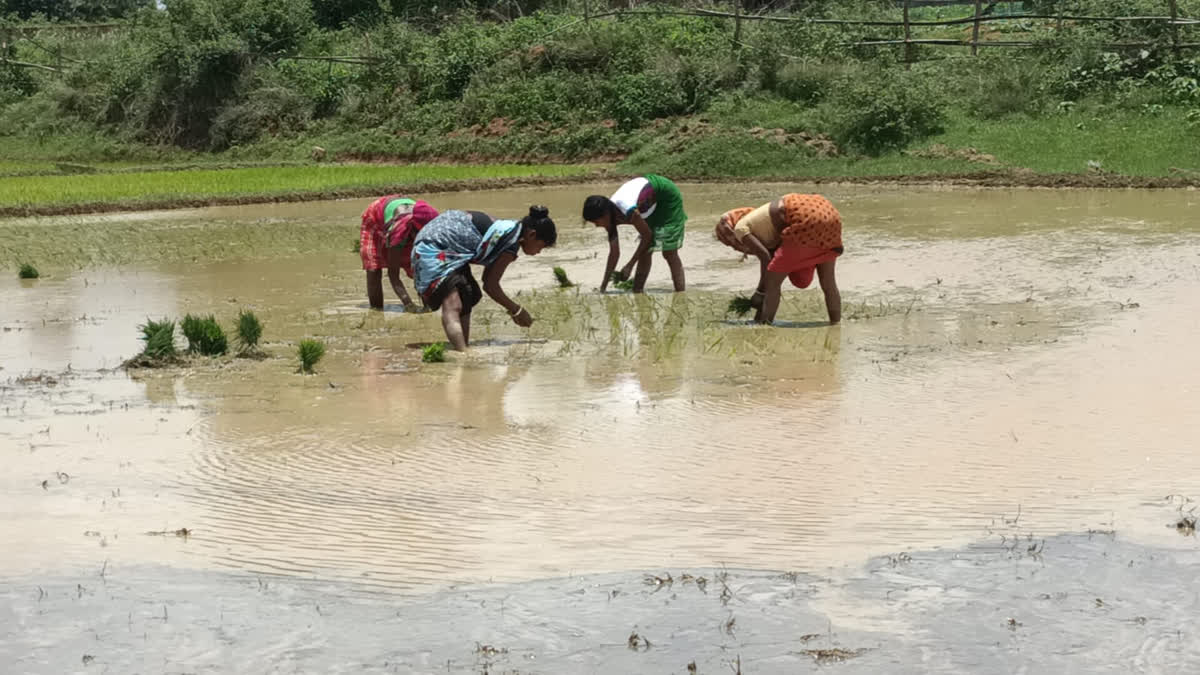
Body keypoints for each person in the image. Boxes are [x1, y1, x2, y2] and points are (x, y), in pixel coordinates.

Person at [412, 206, 557, 351]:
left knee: (467, 294)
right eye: (541, 246)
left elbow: (487, 279)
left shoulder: (509, 231)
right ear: (532, 235)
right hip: (434, 246)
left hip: (444, 243)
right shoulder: (510, 243)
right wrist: (517, 310)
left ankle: (462, 346)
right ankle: (463, 355)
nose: (538, 252)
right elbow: (490, 286)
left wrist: (514, 310)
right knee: (453, 303)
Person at [715, 193, 843, 325]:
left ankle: (764, 325)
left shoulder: (740, 228)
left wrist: (759, 292)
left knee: (773, 281)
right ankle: (836, 324)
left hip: (805, 218)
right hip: (830, 216)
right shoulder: (762, 221)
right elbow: (771, 258)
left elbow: (766, 259)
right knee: (828, 282)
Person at [582, 174, 687, 294]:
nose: (596, 225)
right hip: (647, 201)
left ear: (605, 215)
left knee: (669, 252)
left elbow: (648, 236)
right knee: (645, 252)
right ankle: (638, 291)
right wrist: (603, 287)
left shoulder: (628, 211)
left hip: (665, 195)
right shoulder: (610, 218)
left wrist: (630, 265)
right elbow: (614, 254)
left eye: (596, 221)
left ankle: (680, 295)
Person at [359, 195, 437, 311]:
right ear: (414, 230)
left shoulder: (430, 222)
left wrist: (430, 306)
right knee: (374, 268)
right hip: (375, 218)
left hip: (407, 220)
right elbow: (393, 275)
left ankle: (427, 304)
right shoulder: (399, 232)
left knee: (419, 269)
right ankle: (376, 310)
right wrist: (408, 304)